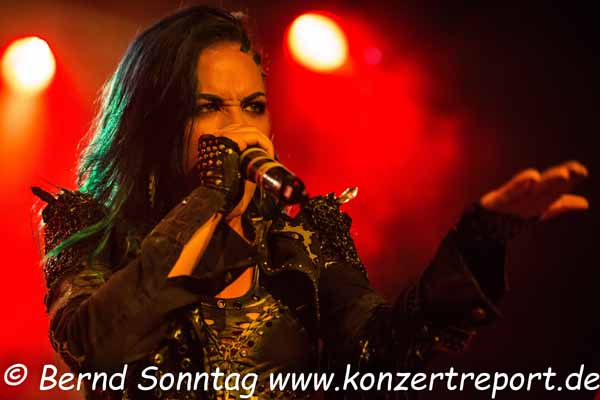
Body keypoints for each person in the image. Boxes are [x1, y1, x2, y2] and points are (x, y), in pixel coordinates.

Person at [32, 6, 589, 400]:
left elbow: (381, 357)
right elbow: (97, 349)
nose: (240, 129)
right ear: (155, 121)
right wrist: (210, 197)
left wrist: (477, 243)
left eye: (253, 106)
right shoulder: (86, 226)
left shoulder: (302, 236)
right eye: (209, 107)